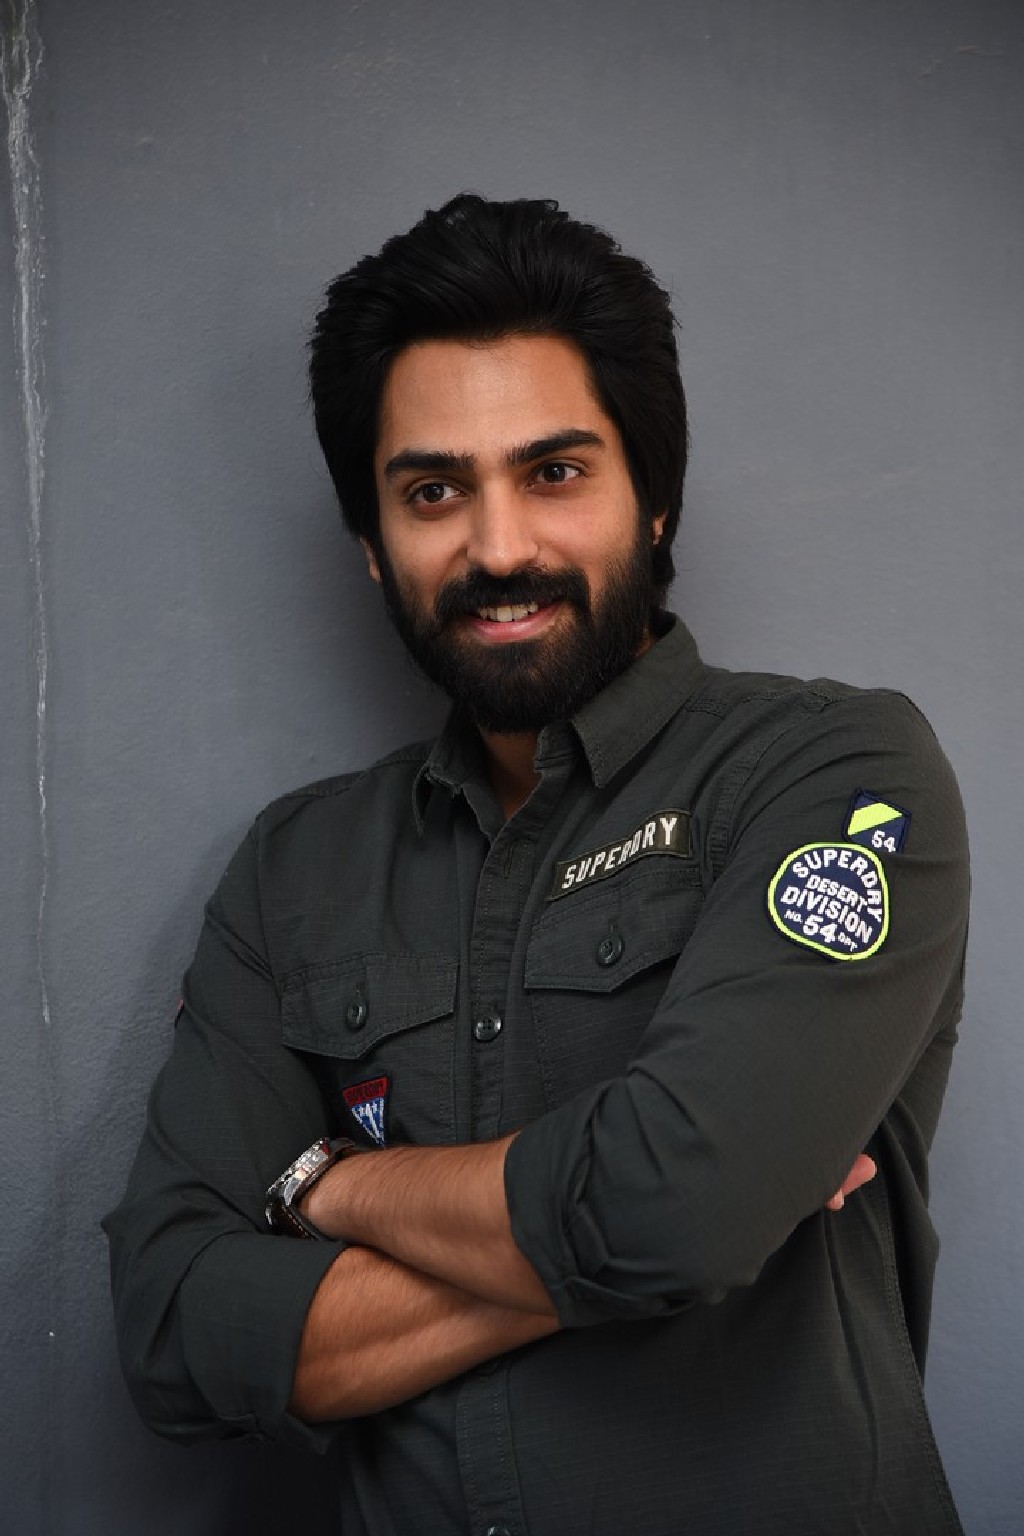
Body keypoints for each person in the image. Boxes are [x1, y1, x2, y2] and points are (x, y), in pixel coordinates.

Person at [104, 194, 969, 1535]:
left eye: (554, 472)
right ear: (371, 542)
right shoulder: (295, 871)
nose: (499, 548)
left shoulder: (832, 771)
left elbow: (677, 1208)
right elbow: (174, 1331)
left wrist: (326, 1185)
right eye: (433, 491)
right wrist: (672, 1215)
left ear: (656, 498)